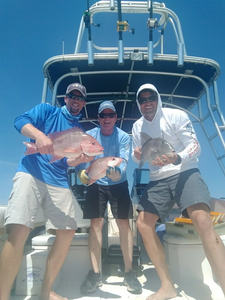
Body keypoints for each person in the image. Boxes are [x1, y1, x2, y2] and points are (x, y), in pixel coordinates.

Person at [0, 83, 94, 300]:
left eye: (80, 97)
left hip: (59, 181)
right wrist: (40, 137)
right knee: (19, 230)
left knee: (68, 230)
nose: (76, 100)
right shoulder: (47, 110)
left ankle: (46, 290)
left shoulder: (80, 133)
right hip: (31, 172)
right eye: (72, 96)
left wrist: (85, 170)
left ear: (84, 103)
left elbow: (76, 167)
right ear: (65, 98)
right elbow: (20, 121)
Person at [132, 83, 225, 300]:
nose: (147, 103)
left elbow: (195, 146)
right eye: (143, 100)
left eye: (151, 98)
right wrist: (137, 154)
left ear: (158, 98)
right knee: (143, 224)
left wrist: (177, 157)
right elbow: (138, 157)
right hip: (157, 179)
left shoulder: (176, 115)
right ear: (139, 103)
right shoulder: (137, 127)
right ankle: (167, 286)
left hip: (185, 170)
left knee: (202, 220)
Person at [78, 101, 142, 295]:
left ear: (116, 117)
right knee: (95, 223)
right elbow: (84, 158)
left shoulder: (123, 137)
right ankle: (95, 273)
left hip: (118, 184)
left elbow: (123, 160)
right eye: (103, 115)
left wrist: (119, 173)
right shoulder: (91, 136)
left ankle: (129, 272)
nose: (107, 118)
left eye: (110, 115)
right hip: (96, 183)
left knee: (124, 224)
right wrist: (83, 172)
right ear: (98, 118)